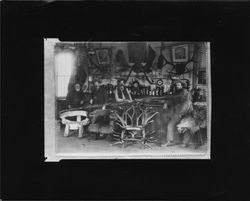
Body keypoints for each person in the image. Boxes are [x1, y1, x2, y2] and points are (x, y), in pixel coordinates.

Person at [144, 79, 193, 146]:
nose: (177, 86)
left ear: (182, 86)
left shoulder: (186, 93)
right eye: (176, 85)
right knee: (168, 123)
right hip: (177, 112)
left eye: (178, 85)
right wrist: (166, 103)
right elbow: (171, 99)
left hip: (184, 113)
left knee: (171, 125)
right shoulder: (177, 93)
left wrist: (181, 114)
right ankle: (175, 140)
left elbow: (186, 104)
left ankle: (170, 141)